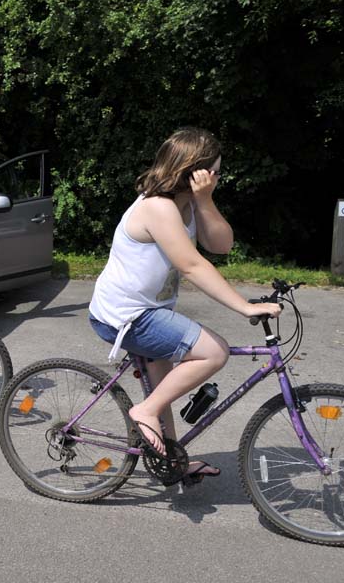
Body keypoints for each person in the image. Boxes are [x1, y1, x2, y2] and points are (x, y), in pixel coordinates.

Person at [88, 127, 281, 485]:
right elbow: (192, 265)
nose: (219, 178)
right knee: (213, 351)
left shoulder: (188, 204)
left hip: (148, 312)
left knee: (164, 393)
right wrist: (245, 307)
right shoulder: (157, 208)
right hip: (125, 315)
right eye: (216, 171)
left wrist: (205, 200)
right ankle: (143, 411)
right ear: (195, 170)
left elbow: (221, 246)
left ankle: (172, 462)